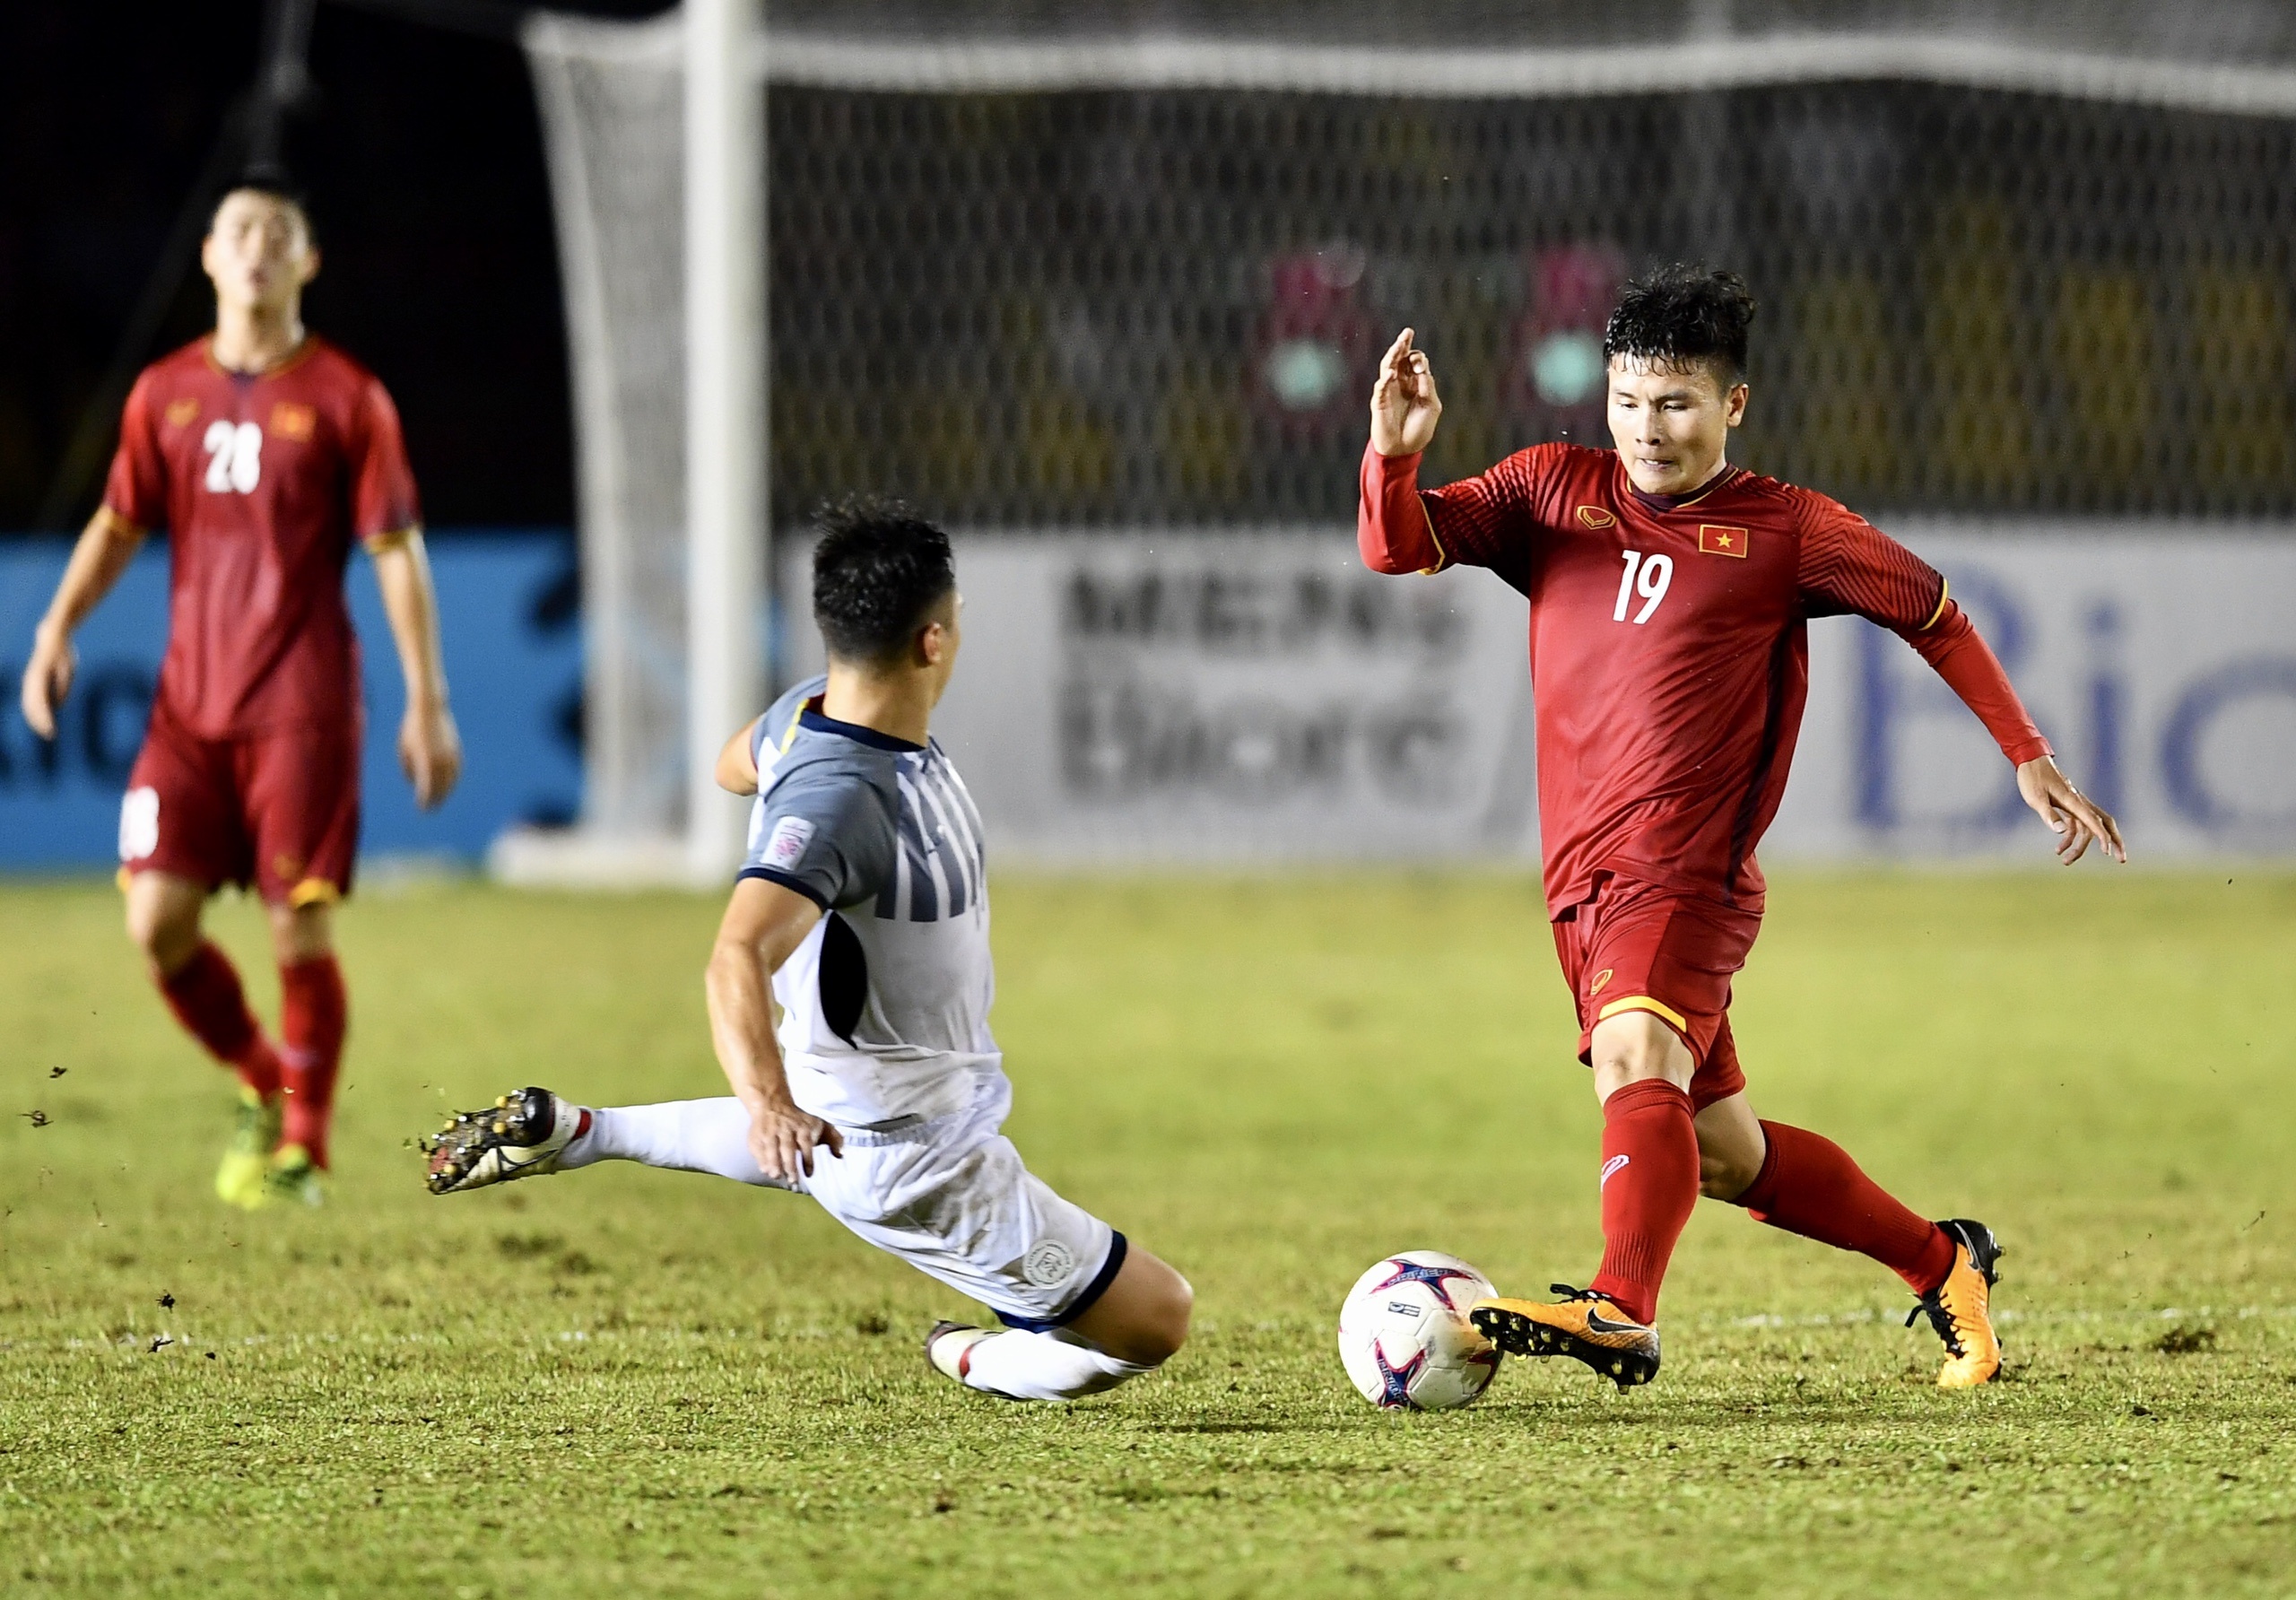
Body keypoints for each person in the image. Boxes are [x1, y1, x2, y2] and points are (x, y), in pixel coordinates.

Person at [1357, 265, 2125, 1391]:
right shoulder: (1547, 491)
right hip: (1578, 881)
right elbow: (1397, 546)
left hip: (1684, 876)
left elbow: (1934, 610)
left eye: (1674, 404)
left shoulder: (1785, 530)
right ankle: (1943, 1261)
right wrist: (1395, 452)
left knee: (1632, 1054)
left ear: (1733, 405)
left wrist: (2026, 752)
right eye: (1626, 399)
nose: (1645, 429)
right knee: (1723, 1151)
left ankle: (1621, 1305)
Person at [421, 502, 1192, 1403]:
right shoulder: (843, 801)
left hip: (851, 1107)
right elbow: (735, 952)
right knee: (1153, 1320)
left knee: (815, 1129)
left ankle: (584, 1130)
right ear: (933, 639)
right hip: (917, 1159)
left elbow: (730, 763)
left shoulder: (803, 714)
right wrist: (764, 1100)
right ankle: (969, 1354)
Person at [19, 175, 461, 1209]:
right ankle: (263, 1080)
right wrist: (55, 626)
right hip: (186, 710)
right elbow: (120, 521)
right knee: (155, 922)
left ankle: (304, 1145)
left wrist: (426, 697)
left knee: (295, 926)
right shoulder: (162, 393)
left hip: (300, 705)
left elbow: (395, 551)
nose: (257, 248)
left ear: (307, 262)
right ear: (210, 257)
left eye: (279, 233)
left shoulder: (351, 397)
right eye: (239, 232)